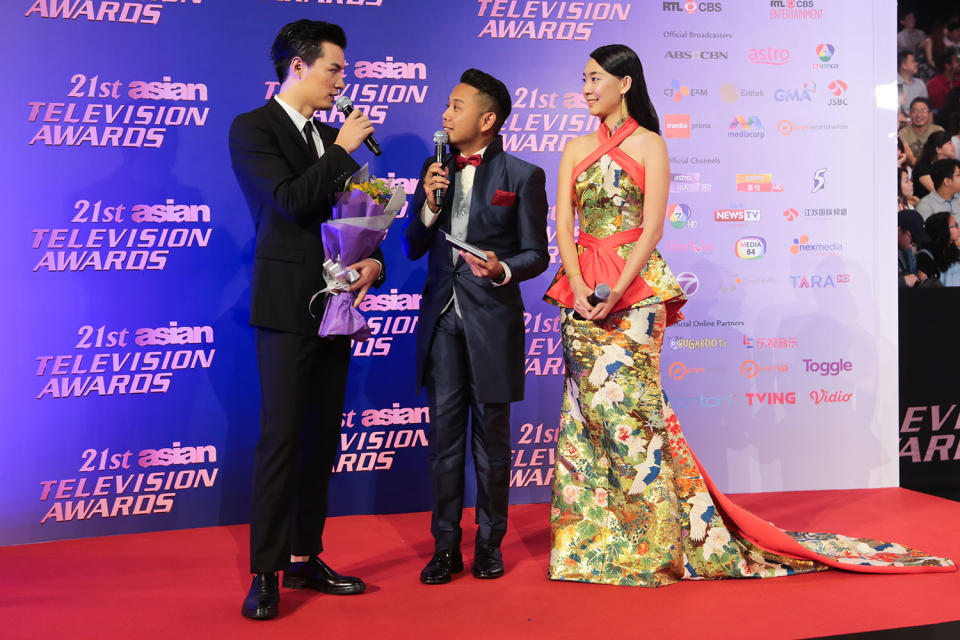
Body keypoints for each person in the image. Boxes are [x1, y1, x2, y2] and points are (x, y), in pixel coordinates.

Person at [543, 43, 954, 587]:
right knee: (585, 418)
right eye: (584, 78)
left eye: (596, 78)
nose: (587, 87)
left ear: (624, 83)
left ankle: (649, 545)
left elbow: (652, 231)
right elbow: (565, 223)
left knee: (637, 421)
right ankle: (589, 544)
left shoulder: (652, 146)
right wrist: (576, 286)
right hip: (580, 300)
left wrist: (616, 290)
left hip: (636, 298)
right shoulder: (573, 148)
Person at [228, 19, 385, 620]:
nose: (342, 80)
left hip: (339, 306)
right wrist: (341, 148)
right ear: (298, 66)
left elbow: (363, 216)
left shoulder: (329, 134)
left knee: (322, 439)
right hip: (288, 303)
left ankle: (305, 553)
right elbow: (290, 203)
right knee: (281, 438)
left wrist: (374, 265)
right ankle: (264, 570)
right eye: (334, 69)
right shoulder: (254, 128)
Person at [402, 69, 549, 585]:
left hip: (492, 322)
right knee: (444, 441)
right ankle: (445, 547)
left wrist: (503, 267)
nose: (446, 115)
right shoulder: (433, 168)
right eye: (447, 105)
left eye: (457, 106)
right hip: (442, 321)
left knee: (491, 444)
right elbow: (413, 246)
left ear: (487, 120)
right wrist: (428, 204)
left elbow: (537, 254)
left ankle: (490, 545)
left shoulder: (522, 176)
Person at [917, 211, 960, 285]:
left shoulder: (955, 251)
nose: (959, 229)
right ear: (943, 229)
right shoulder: (925, 256)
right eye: (955, 226)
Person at [913, 130, 955, 198]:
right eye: (949, 143)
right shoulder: (922, 166)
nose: (953, 146)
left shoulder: (949, 165)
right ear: (938, 149)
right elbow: (937, 192)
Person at [898, 209, 931, 288]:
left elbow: (913, 274)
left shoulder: (906, 249)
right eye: (914, 239)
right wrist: (903, 281)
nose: (913, 245)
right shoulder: (880, 249)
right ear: (899, 230)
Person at [898, 51, 929, 120]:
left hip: (919, 121)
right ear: (904, 65)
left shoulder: (920, 83)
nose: (916, 64)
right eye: (913, 62)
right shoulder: (892, 85)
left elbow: (926, 107)